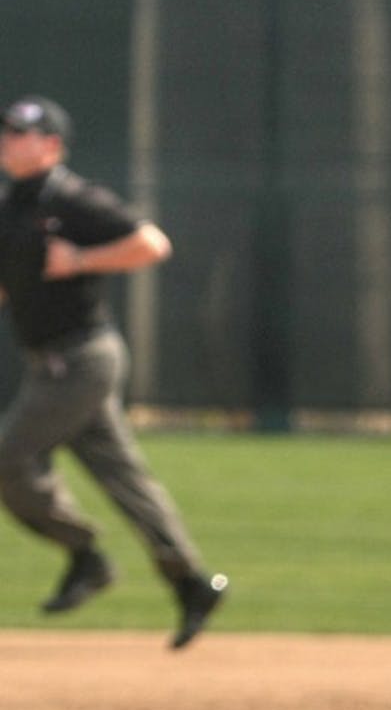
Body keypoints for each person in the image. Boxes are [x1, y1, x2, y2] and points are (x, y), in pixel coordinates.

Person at [0, 95, 227, 650]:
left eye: (19, 133)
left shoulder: (72, 197)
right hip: (51, 362)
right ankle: (192, 582)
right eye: (6, 131)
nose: (7, 140)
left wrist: (80, 259)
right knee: (123, 477)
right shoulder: (12, 207)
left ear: (51, 145)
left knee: (8, 458)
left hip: (81, 360)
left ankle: (85, 554)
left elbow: (152, 243)